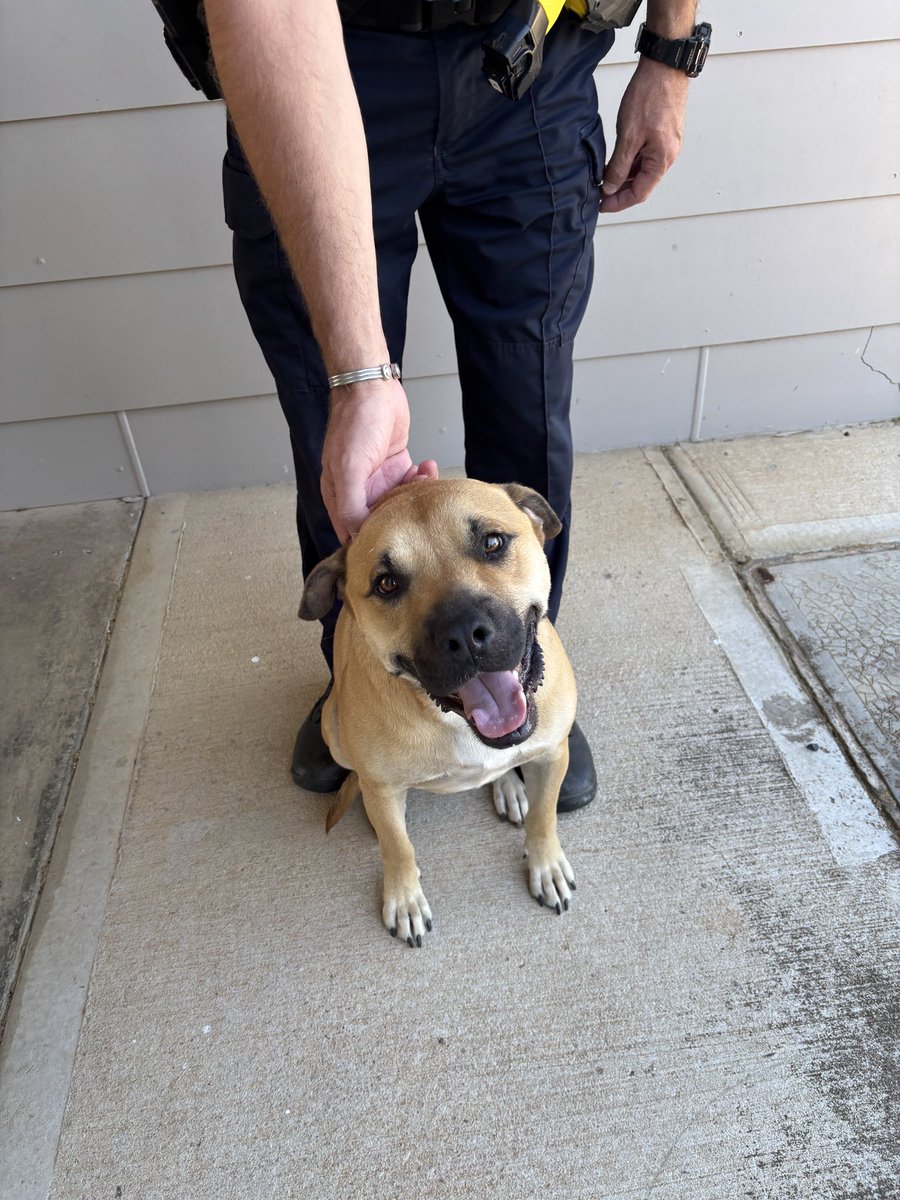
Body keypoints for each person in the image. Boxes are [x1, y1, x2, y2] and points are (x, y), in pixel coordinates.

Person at [203, 0, 706, 807]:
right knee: (340, 436)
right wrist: (359, 376)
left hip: (535, 52)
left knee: (528, 405)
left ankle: (522, 672)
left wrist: (670, 53)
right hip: (323, 66)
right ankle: (361, 685)